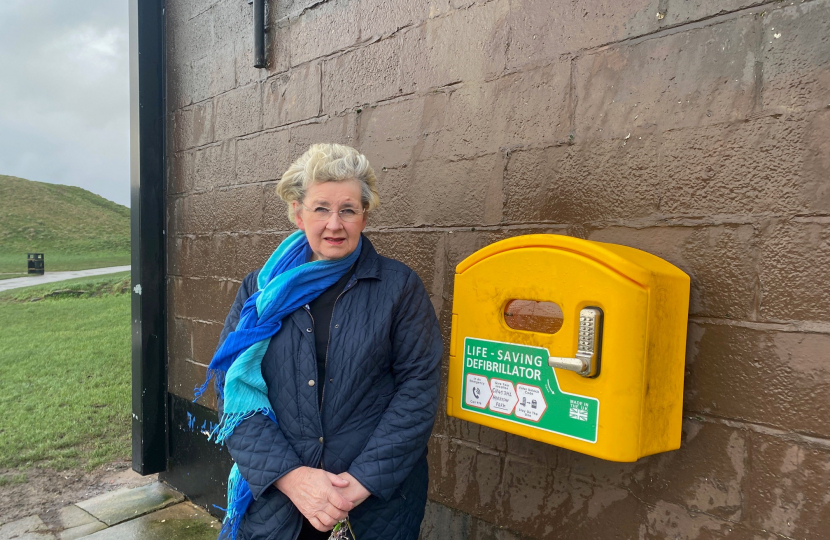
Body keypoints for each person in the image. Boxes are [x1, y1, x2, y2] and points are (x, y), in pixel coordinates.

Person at [200, 143, 443, 540]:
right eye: (321, 209)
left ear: (364, 215)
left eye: (348, 209)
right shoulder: (259, 292)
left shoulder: (399, 288)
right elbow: (233, 389)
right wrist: (292, 479)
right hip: (278, 502)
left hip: (375, 506)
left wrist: (357, 485)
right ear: (298, 213)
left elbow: (418, 390)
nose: (335, 224)